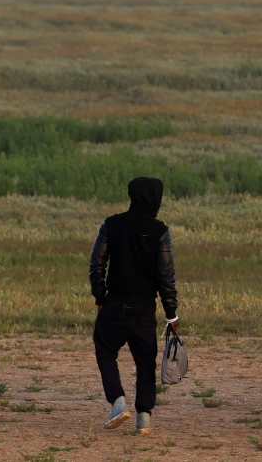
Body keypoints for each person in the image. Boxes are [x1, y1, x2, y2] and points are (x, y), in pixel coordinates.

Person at [89, 176, 178, 434]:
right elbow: (166, 276)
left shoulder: (111, 224)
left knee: (105, 351)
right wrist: (171, 314)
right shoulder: (161, 231)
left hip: (114, 305)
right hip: (144, 311)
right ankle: (143, 420)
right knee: (145, 362)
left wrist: (100, 299)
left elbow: (96, 265)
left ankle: (117, 402)